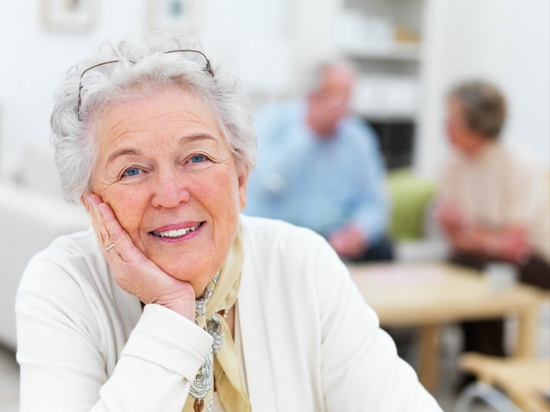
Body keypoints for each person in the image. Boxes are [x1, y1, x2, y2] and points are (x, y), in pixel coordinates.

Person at [16, 33, 441, 411]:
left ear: (240, 178)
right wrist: (170, 314)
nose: (170, 195)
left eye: (196, 158)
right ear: (93, 203)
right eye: (132, 170)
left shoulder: (302, 263)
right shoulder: (62, 284)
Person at [436, 80, 550, 385]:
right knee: (461, 263)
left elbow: (515, 245)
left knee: (482, 269)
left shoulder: (518, 162)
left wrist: (470, 228)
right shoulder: (452, 163)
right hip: (481, 257)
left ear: (479, 124)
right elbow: (453, 236)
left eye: (452, 118)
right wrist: (484, 237)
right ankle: (480, 365)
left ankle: (488, 366)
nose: (444, 126)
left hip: (537, 260)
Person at [245, 63, 393, 262]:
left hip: (333, 239)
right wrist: (308, 135)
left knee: (385, 249)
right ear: (311, 97)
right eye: (333, 96)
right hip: (280, 237)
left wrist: (359, 231)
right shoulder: (272, 122)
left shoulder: (358, 137)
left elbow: (374, 203)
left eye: (346, 98)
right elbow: (264, 186)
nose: (340, 107)